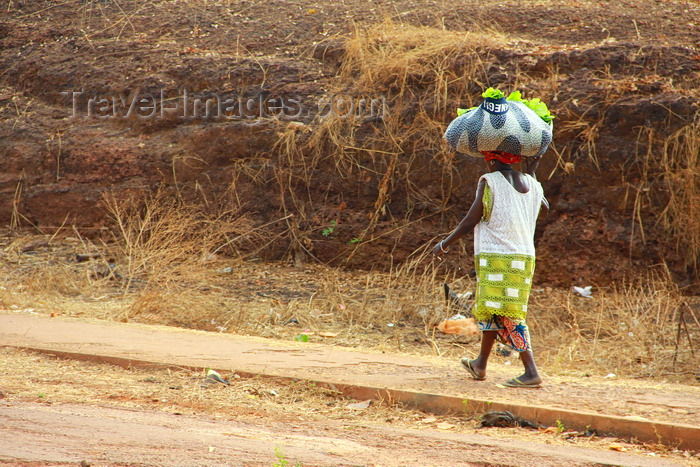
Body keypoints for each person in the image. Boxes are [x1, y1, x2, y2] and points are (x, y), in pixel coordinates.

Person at [432, 150, 548, 388]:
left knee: (509, 313)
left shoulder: (490, 181)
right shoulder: (533, 183)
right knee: (492, 308)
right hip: (523, 257)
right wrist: (533, 172)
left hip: (498, 257)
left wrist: (445, 243)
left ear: (492, 159)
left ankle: (531, 371)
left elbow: (471, 218)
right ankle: (480, 364)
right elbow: (543, 208)